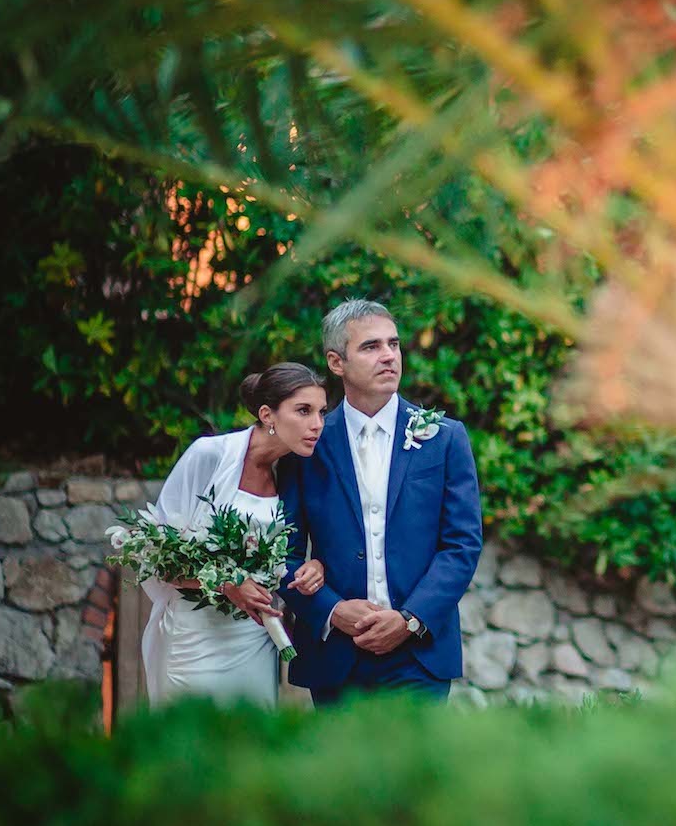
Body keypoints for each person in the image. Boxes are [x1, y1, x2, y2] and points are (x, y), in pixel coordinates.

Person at [277, 299, 482, 704]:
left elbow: (462, 545)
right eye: (371, 347)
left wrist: (410, 619)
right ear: (337, 363)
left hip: (418, 656)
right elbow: (281, 552)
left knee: (415, 769)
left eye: (393, 344)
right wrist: (333, 610)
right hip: (335, 654)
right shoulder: (306, 444)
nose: (388, 355)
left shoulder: (444, 438)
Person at [141, 363, 330, 705]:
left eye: (321, 412)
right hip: (196, 637)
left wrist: (316, 566)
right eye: (303, 411)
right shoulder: (209, 455)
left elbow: (288, 555)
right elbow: (157, 558)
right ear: (267, 415)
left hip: (254, 640)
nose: (317, 424)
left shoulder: (296, 471)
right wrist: (228, 584)